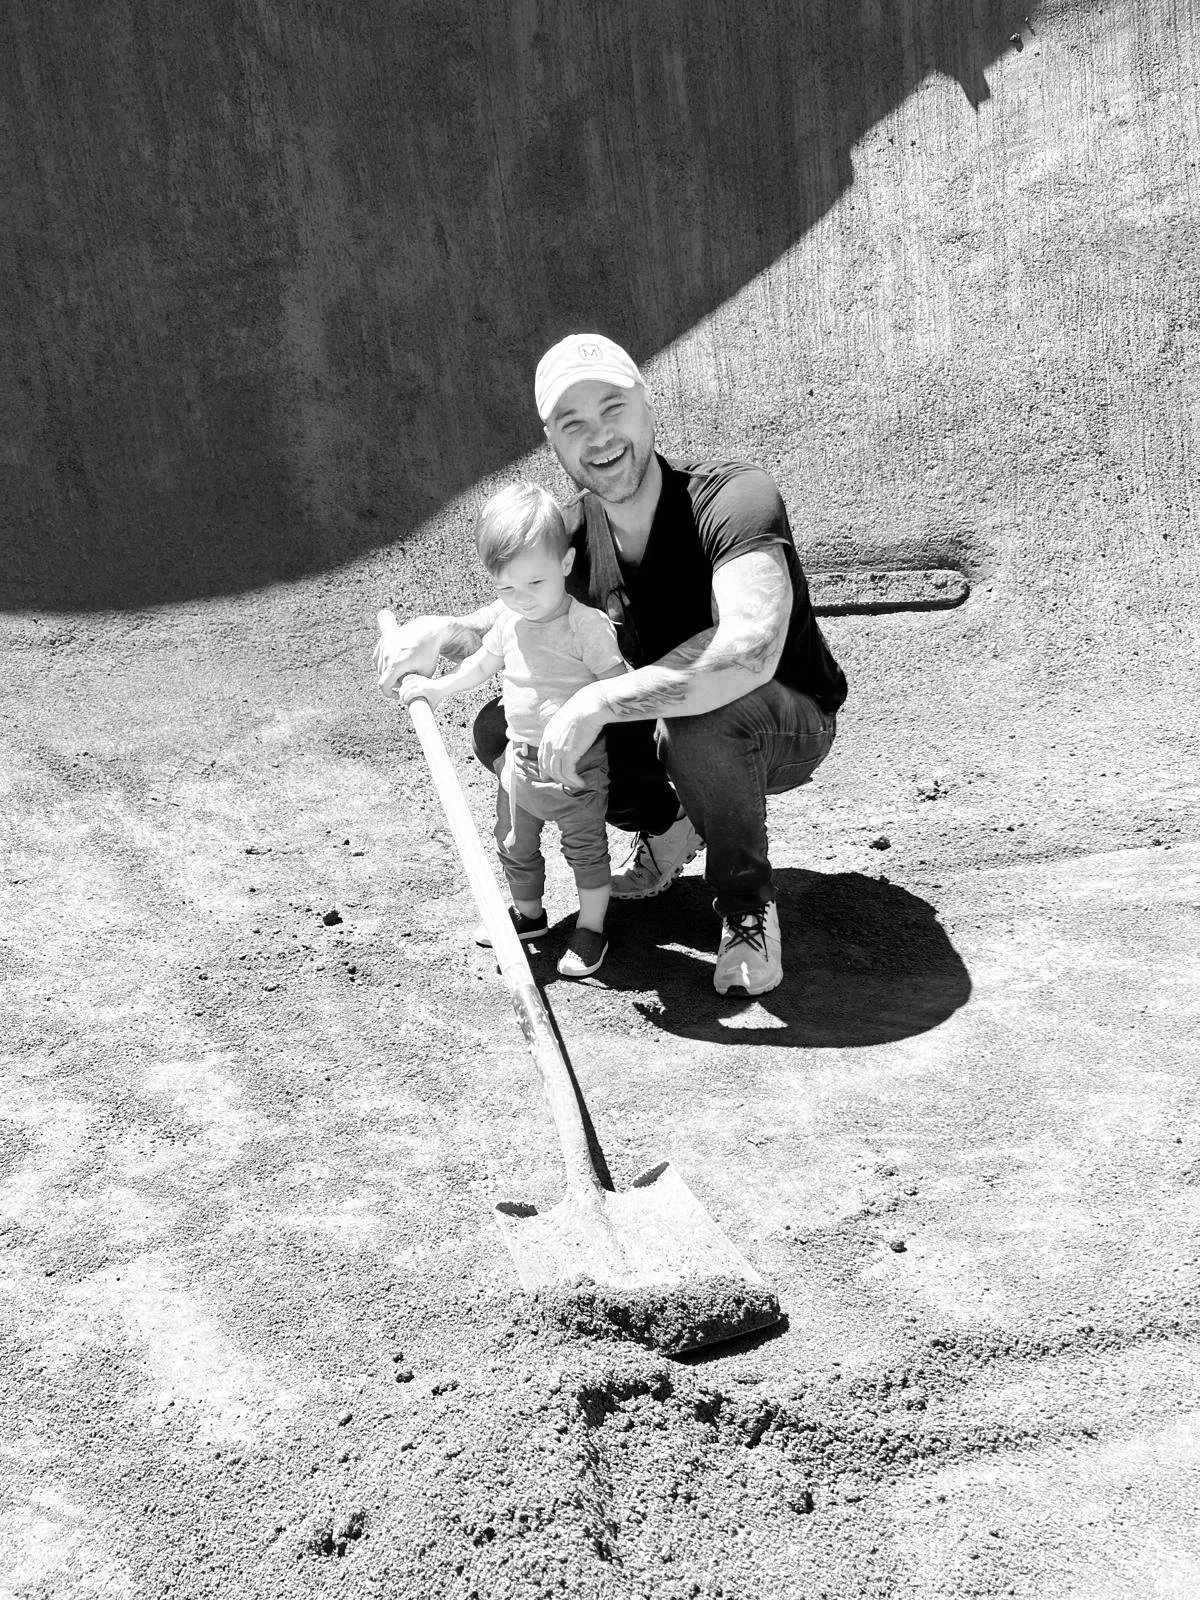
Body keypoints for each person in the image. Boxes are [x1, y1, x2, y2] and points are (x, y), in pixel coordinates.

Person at [377, 333, 847, 997]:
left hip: (783, 720)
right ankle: (668, 828)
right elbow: (524, 613)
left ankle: (746, 908)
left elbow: (747, 650)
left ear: (647, 403)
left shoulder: (733, 497)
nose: (599, 438)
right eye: (574, 424)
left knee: (696, 721)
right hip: (663, 723)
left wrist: (595, 703)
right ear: (553, 441)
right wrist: (444, 636)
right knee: (507, 730)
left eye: (613, 409)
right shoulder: (571, 533)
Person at [396, 481, 627, 979]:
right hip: (518, 758)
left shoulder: (585, 625)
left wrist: (589, 717)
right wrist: (439, 689)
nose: (521, 599)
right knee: (513, 841)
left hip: (575, 765)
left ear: (566, 565)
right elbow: (483, 663)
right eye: (506, 588)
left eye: (535, 584)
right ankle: (529, 915)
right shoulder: (509, 619)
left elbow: (616, 687)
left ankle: (591, 928)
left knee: (584, 848)